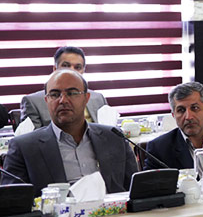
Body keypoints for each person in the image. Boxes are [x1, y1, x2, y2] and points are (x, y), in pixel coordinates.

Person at [1, 69, 137, 195]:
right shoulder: (25, 147)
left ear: (86, 98)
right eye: (55, 95)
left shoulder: (114, 137)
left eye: (72, 93)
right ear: (46, 100)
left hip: (113, 212)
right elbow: (13, 202)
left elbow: (134, 191)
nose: (63, 100)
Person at [20, 46, 108, 128]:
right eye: (66, 66)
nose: (72, 71)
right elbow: (33, 138)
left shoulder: (98, 98)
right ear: (55, 69)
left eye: (78, 67)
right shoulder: (33, 102)